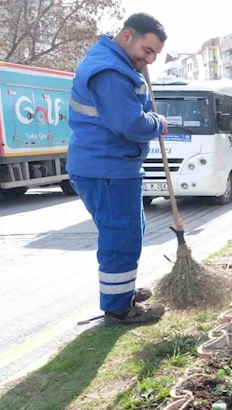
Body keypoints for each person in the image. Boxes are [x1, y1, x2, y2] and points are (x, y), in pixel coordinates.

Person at [66, 13, 168, 324]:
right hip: (106, 169)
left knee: (128, 233)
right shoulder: (109, 71)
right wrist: (158, 123)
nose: (148, 60)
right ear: (126, 36)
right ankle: (118, 309)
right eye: (146, 51)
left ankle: (121, 293)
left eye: (154, 55)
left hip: (113, 168)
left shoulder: (118, 65)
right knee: (120, 237)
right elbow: (129, 122)